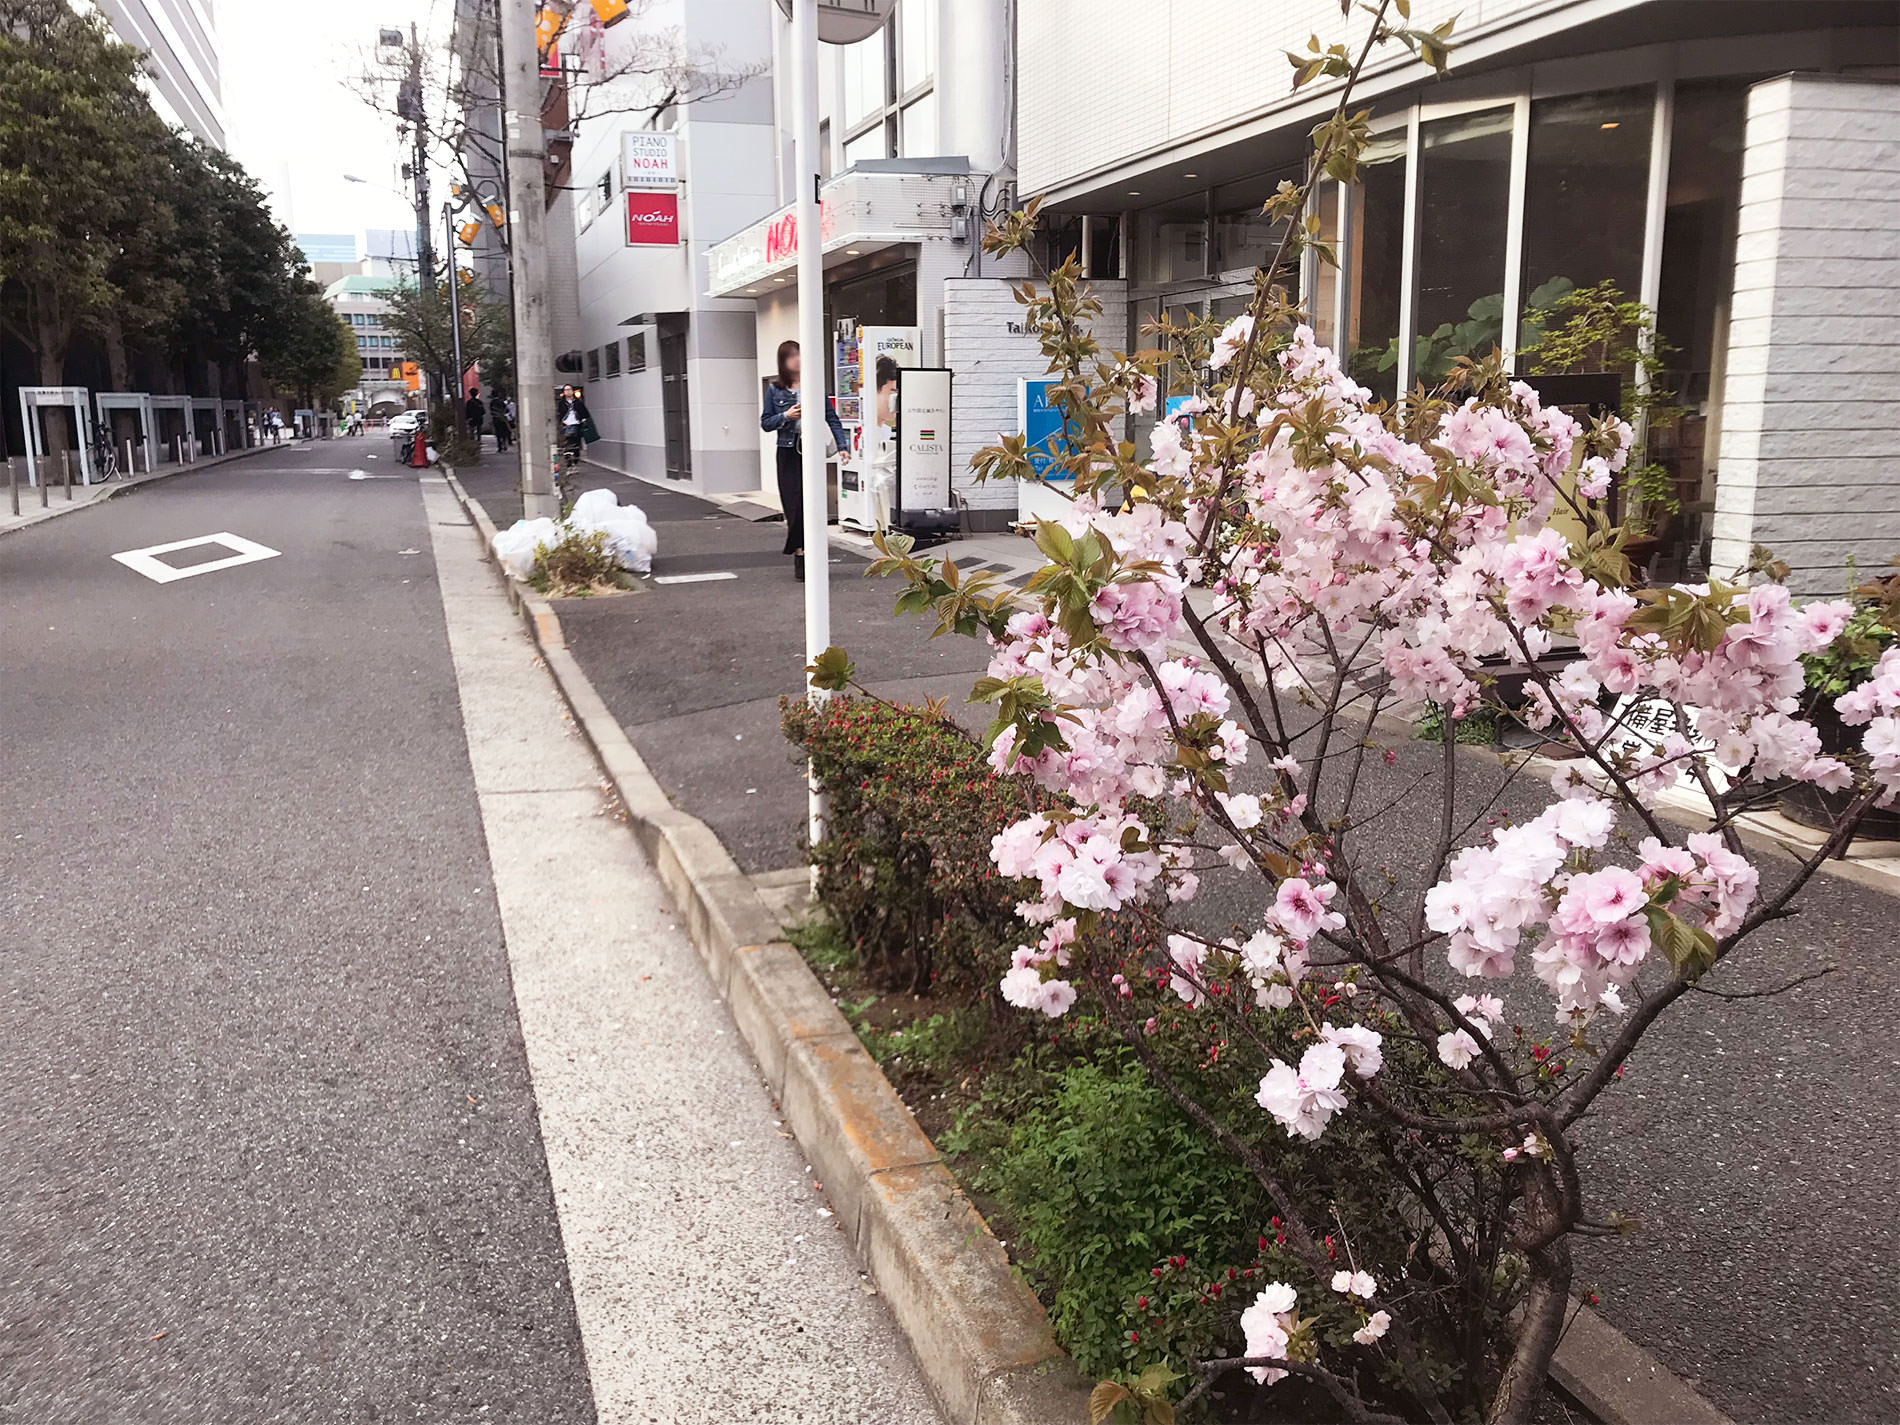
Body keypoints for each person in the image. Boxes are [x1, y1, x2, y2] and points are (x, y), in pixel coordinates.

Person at [759, 339, 847, 581]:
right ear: (783, 361)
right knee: (793, 505)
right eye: (791, 356)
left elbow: (832, 418)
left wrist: (843, 447)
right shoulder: (775, 389)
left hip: (811, 450)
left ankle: (808, 553)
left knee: (812, 503)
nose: (796, 359)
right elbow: (765, 422)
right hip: (788, 451)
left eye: (799, 354)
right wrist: (786, 416)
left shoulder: (813, 385)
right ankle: (800, 551)